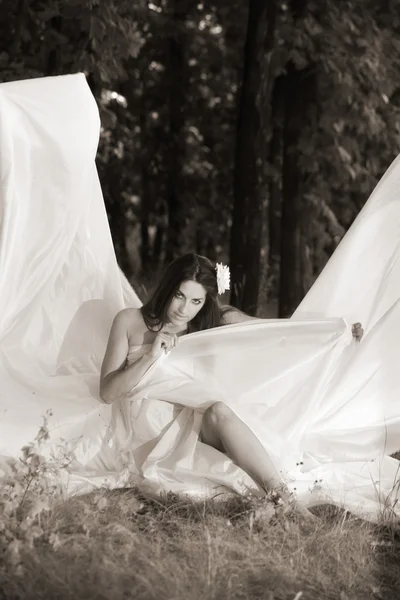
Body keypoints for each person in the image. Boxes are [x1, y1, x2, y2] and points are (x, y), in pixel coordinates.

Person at [99, 253, 363, 519]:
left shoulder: (218, 322)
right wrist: (150, 357)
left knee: (219, 411)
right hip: (151, 429)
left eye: (196, 301)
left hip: (199, 424)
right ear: (167, 287)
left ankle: (288, 503)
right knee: (214, 412)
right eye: (179, 295)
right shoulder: (130, 321)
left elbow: (280, 335)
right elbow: (107, 392)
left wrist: (336, 332)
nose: (184, 309)